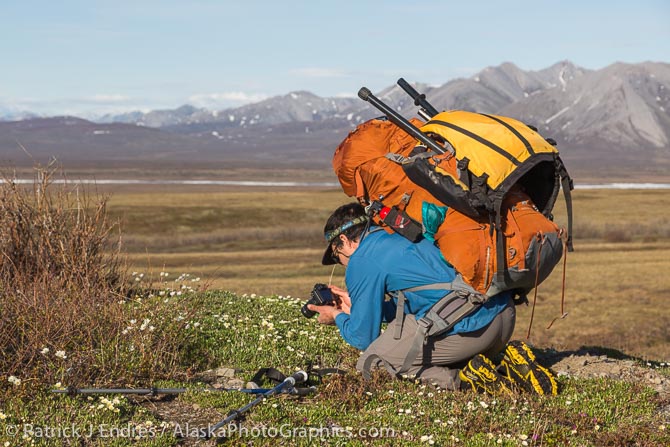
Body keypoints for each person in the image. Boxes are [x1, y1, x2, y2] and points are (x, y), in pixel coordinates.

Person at [308, 202, 557, 395]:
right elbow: (425, 296)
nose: (340, 262)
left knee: (372, 363)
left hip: (471, 331)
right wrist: (365, 307)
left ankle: (468, 382)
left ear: (343, 240)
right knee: (408, 331)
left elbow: (363, 338)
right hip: (501, 316)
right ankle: (506, 363)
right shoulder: (407, 233)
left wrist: (337, 316)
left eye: (336, 254)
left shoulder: (362, 260)